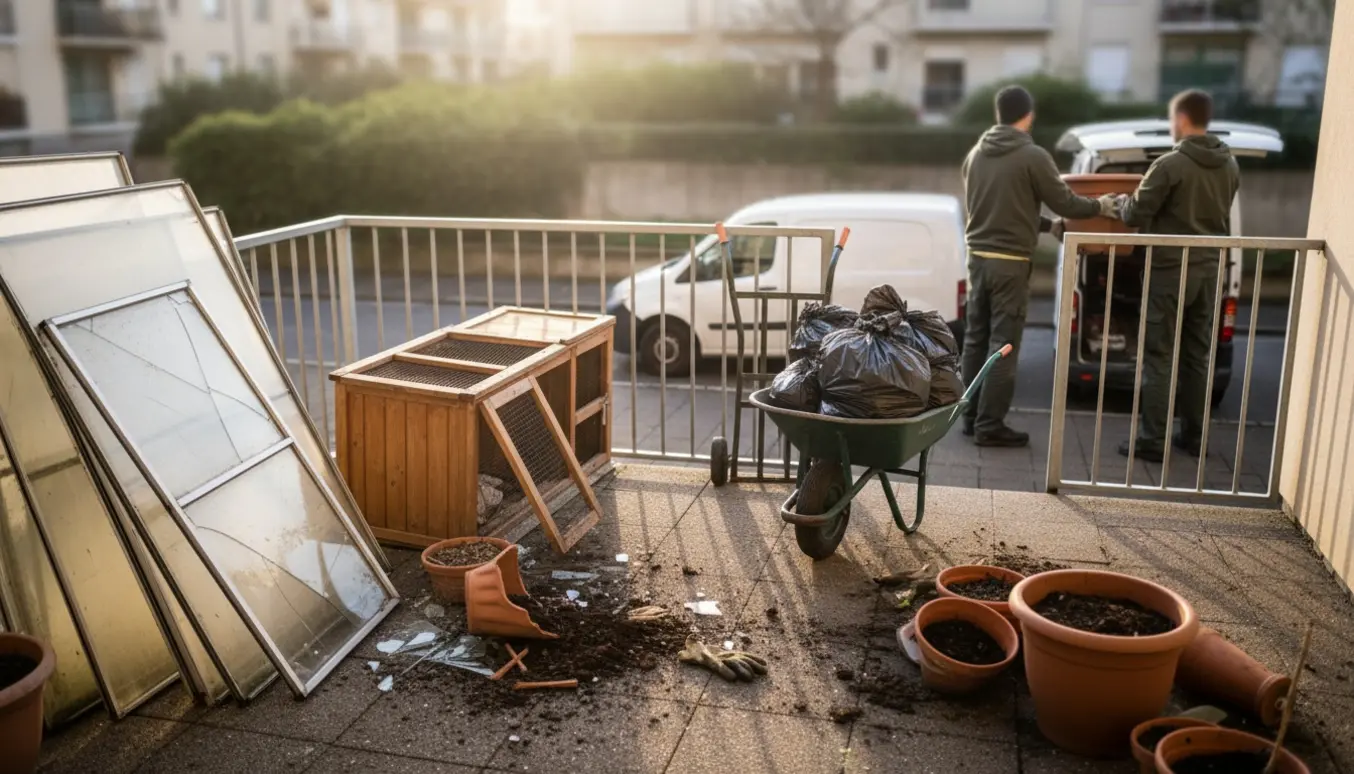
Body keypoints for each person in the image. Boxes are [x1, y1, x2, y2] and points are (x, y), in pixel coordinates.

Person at [960, 85, 1118, 447]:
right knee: (1003, 345)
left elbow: (998, 209)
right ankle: (990, 426)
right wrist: (1102, 206)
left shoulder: (975, 155)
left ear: (998, 114)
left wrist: (1048, 226)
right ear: (1028, 116)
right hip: (1010, 265)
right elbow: (1066, 202)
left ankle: (969, 417)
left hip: (978, 261)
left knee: (975, 340)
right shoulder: (1032, 155)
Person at [1114, 89, 1240, 462]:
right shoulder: (1230, 165)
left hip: (1170, 272)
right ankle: (1194, 438)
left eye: (1172, 119)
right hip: (1210, 271)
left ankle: (1153, 442)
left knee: (1159, 356)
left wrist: (1119, 202)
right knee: (1198, 356)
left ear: (1182, 119)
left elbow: (1135, 213)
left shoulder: (1170, 164)